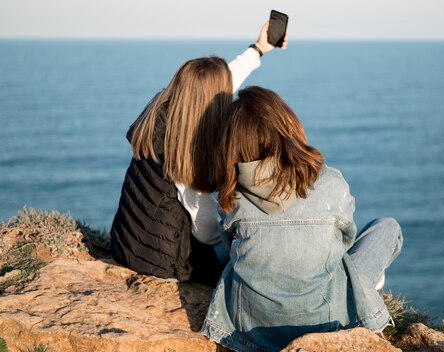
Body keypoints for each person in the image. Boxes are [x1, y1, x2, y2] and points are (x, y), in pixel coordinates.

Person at [201, 86, 404, 351]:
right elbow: (346, 238)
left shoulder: (232, 196)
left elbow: (229, 246)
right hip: (326, 321)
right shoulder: (330, 182)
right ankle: (364, 294)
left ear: (233, 143)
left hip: (252, 330)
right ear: (289, 127)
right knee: (388, 227)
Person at [110, 23, 288, 285]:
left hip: (126, 240)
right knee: (236, 271)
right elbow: (205, 229)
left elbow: (220, 84)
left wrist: (258, 49)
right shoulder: (188, 154)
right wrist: (229, 245)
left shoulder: (162, 112)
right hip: (159, 262)